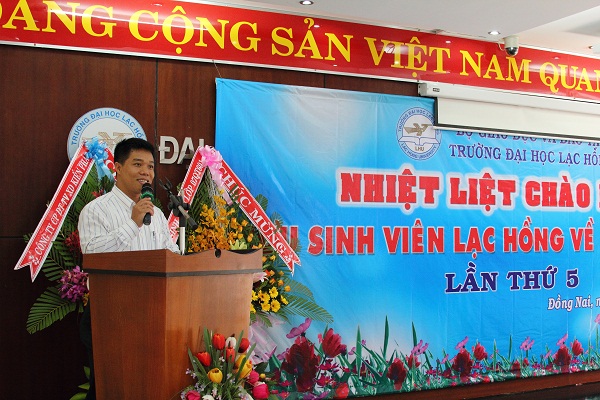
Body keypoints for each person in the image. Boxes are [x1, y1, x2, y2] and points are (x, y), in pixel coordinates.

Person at [77, 137, 179, 399]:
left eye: (150, 166)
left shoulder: (156, 214)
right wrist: (132, 223)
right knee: (111, 388)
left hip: (153, 313)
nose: (146, 172)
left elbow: (171, 254)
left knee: (146, 386)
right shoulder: (95, 210)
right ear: (118, 168)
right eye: (138, 164)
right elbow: (93, 256)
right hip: (110, 314)